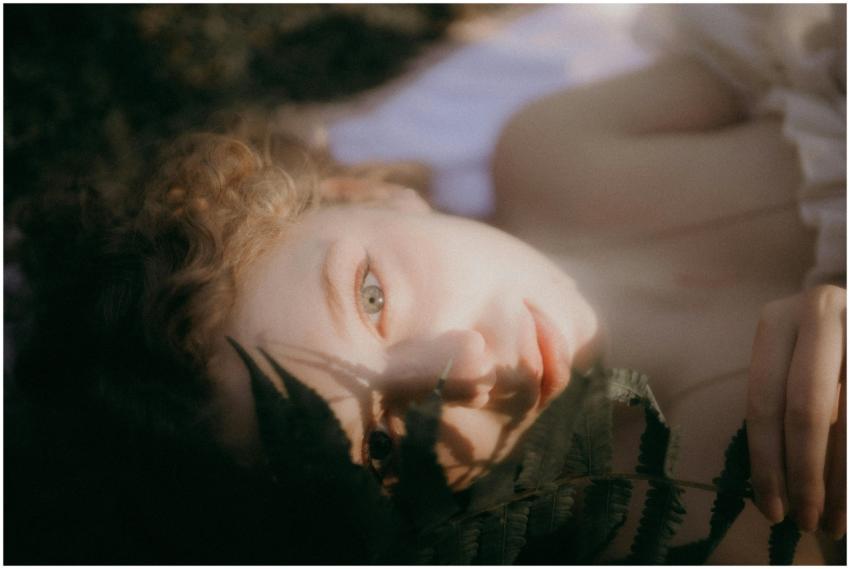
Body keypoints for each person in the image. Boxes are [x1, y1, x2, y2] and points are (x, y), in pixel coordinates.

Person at [490, 3, 845, 563]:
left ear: (361, 197)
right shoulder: (679, 510)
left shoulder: (546, 152)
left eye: (372, 297)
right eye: (380, 448)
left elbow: (781, 45)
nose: (448, 364)